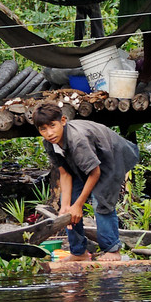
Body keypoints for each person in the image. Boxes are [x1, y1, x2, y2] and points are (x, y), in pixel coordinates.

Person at [34, 102, 140, 259]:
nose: (49, 133)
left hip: (111, 158)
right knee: (68, 208)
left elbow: (95, 173)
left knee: (101, 201)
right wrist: (65, 207)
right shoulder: (50, 144)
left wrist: (78, 205)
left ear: (63, 121)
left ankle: (112, 251)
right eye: (43, 129)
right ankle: (79, 252)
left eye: (52, 125)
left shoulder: (77, 140)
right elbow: (65, 174)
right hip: (85, 164)